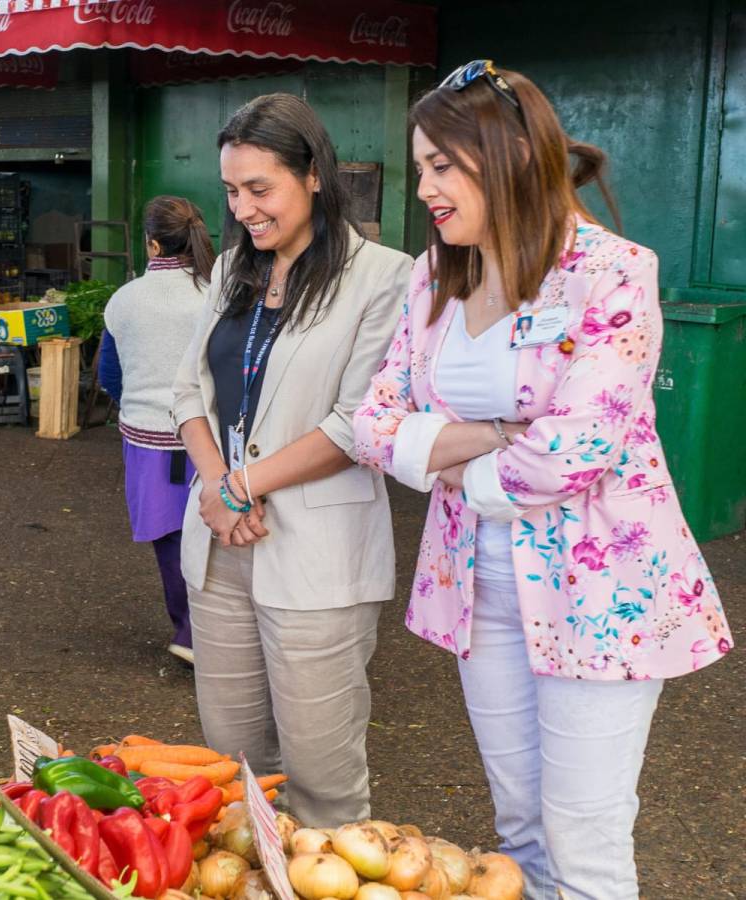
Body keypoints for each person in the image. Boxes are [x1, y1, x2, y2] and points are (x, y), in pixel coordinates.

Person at [352, 61, 732, 899]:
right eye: (420, 169)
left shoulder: (612, 270)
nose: (425, 190)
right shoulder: (432, 278)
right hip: (476, 587)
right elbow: (372, 423)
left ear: (514, 156)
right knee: (519, 824)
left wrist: (452, 464)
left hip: (600, 590)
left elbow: (574, 449)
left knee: (584, 834)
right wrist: (495, 434)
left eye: (442, 166)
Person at [172, 93, 412, 825]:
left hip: (316, 554)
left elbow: (358, 423)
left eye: (259, 188)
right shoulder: (230, 274)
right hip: (220, 541)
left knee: (320, 770)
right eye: (231, 190)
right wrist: (221, 489)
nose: (242, 208)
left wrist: (241, 486)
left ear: (313, 175)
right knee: (235, 756)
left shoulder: (385, 276)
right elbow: (187, 389)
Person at [99, 196, 215, 665]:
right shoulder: (216, 292)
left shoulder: (125, 298)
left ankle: (187, 630)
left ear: (152, 245)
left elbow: (109, 373)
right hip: (208, 439)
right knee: (218, 533)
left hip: (147, 439)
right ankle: (218, 634)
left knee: (169, 538)